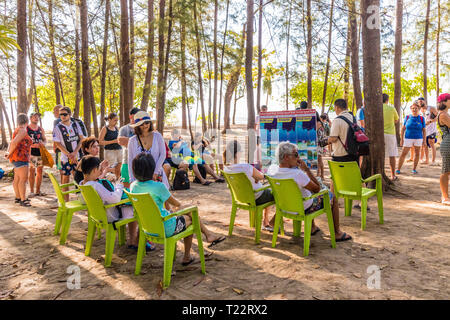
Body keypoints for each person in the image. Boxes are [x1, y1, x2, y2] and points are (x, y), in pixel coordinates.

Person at [130, 153, 226, 265]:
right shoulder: (159, 187)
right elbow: (177, 204)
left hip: (147, 228)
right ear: (152, 168)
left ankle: (208, 235)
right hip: (166, 228)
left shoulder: (133, 186)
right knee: (191, 218)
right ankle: (188, 256)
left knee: (188, 211)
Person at [267, 142, 351, 242]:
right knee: (332, 196)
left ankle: (312, 227)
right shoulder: (298, 174)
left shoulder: (272, 171)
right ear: (286, 157)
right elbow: (317, 189)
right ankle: (337, 232)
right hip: (303, 208)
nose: (298, 158)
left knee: (306, 192)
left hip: (284, 208)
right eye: (296, 154)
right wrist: (307, 170)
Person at [80, 155, 146, 250]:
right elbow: (115, 199)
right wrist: (119, 186)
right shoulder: (95, 186)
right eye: (99, 169)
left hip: (98, 215)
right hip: (111, 215)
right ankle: (134, 241)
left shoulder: (83, 184)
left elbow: (84, 200)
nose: (100, 171)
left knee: (128, 205)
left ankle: (131, 239)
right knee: (135, 208)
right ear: (94, 170)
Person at [223, 140, 275, 230]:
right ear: (238, 153)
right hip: (257, 196)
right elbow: (262, 176)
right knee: (275, 194)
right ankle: (269, 222)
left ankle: (265, 221)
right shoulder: (245, 167)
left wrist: (254, 178)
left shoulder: (226, 168)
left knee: (267, 192)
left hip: (241, 197)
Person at [127, 110, 170, 189]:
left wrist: (155, 172)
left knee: (162, 198)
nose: (145, 125)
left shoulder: (158, 136)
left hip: (157, 175)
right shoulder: (132, 141)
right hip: (140, 177)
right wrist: (132, 179)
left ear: (150, 123)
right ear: (137, 126)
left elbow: (163, 154)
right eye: (141, 124)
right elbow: (130, 161)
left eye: (147, 122)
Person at [52, 106, 85, 201]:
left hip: (77, 156)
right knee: (65, 180)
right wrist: (69, 155)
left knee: (79, 179)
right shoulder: (58, 127)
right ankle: (65, 201)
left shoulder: (75, 125)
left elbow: (81, 139)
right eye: (60, 114)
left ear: (70, 115)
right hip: (65, 158)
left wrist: (74, 153)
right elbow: (57, 144)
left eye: (65, 114)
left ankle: (81, 199)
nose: (62, 116)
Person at [5, 113, 33, 207]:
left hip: (17, 157)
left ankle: (18, 197)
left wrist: (9, 152)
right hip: (21, 157)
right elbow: (14, 142)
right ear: (27, 121)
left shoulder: (18, 130)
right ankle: (23, 200)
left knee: (17, 178)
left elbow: (12, 142)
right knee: (23, 180)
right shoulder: (23, 130)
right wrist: (9, 153)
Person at [396, 101, 426, 175]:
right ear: (411, 109)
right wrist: (401, 139)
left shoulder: (422, 118)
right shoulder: (407, 117)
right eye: (413, 108)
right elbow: (403, 129)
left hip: (418, 138)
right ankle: (398, 169)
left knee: (417, 153)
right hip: (408, 138)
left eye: (416, 108)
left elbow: (424, 130)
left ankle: (414, 169)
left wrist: (424, 141)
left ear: (418, 109)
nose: (414, 110)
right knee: (404, 153)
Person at [118, 107, 141, 188]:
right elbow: (121, 141)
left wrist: (129, 141)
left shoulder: (142, 128)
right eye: (136, 115)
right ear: (130, 116)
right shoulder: (124, 129)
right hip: (126, 162)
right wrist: (138, 140)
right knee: (127, 187)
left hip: (140, 162)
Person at [27, 112, 47, 197]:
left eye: (37, 117)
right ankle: (31, 191)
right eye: (34, 117)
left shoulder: (40, 129)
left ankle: (38, 191)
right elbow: (23, 141)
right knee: (31, 171)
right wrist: (31, 145)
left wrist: (43, 143)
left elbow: (45, 140)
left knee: (39, 171)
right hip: (30, 152)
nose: (36, 118)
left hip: (39, 152)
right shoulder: (27, 128)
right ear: (30, 118)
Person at [99, 112, 122, 179]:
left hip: (119, 150)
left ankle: (118, 181)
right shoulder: (105, 129)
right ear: (109, 119)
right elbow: (100, 142)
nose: (116, 122)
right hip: (109, 151)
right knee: (111, 168)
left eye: (117, 120)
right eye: (115, 120)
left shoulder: (117, 128)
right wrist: (113, 141)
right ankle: (110, 182)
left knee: (119, 167)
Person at [382, 93, 400, 180]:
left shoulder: (376, 109)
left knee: (380, 155)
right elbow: (396, 120)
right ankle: (393, 175)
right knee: (392, 155)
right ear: (387, 100)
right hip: (390, 134)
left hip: (379, 134)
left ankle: (379, 174)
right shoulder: (391, 108)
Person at [437, 93, 450, 205]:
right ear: (445, 101)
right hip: (447, 144)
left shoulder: (445, 113)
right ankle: (445, 197)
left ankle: (445, 195)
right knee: (445, 171)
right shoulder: (443, 115)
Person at [419, 98, 438, 165]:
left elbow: (437, 117)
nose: (420, 103)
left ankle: (433, 161)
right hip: (424, 130)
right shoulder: (420, 110)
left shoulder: (431, 108)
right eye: (419, 102)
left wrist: (430, 121)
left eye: (421, 101)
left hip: (432, 130)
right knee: (425, 145)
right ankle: (427, 160)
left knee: (432, 144)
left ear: (424, 101)